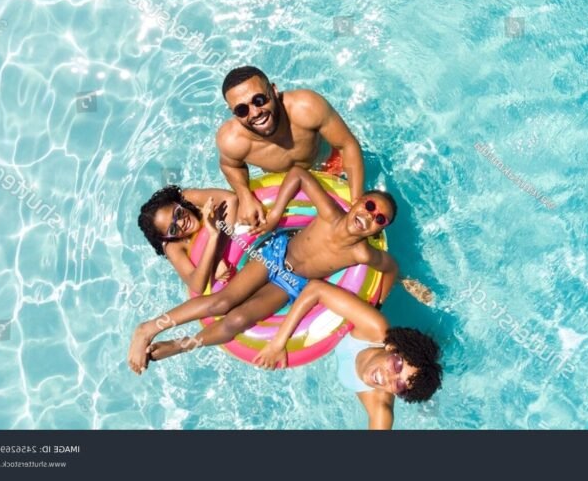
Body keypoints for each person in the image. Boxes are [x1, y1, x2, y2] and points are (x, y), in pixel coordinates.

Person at [127, 166, 398, 374]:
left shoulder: (362, 254)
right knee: (222, 302)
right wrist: (276, 215)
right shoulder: (329, 213)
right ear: (358, 201)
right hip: (273, 254)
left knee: (235, 322)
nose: (369, 216)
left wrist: (381, 301)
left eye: (379, 219)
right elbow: (298, 173)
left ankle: (179, 346)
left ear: (381, 229)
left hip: (291, 283)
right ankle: (148, 328)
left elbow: (391, 267)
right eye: (370, 206)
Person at [253, 280, 442, 429]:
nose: (389, 378)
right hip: (366, 311)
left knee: (423, 388)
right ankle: (400, 278)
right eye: (397, 366)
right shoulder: (375, 329)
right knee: (380, 290)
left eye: (399, 385)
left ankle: (428, 399)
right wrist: (278, 343)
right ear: (392, 349)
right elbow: (316, 288)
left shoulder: (379, 407)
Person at [216, 66, 364, 229]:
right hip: (284, 183)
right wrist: (244, 196)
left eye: (259, 100)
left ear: (274, 90)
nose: (255, 113)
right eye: (242, 109)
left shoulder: (306, 107)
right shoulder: (232, 140)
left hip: (329, 167)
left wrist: (356, 200)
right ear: (233, 112)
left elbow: (346, 144)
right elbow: (230, 165)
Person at [137, 186, 238, 294]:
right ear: (167, 238)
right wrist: (213, 236)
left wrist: (217, 257)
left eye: (178, 213)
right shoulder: (172, 246)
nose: (182, 223)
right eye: (173, 229)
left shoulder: (188, 198)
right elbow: (197, 286)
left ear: (177, 203)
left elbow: (231, 199)